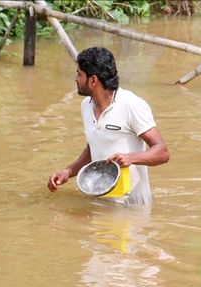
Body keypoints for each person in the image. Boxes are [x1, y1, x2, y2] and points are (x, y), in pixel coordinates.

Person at [47, 47, 169, 205]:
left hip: (132, 206)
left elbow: (162, 152)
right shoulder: (86, 106)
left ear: (93, 80)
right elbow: (93, 148)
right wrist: (68, 172)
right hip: (99, 203)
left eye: (79, 74)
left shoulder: (131, 105)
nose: (75, 79)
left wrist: (131, 158)